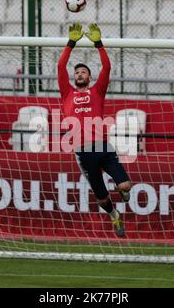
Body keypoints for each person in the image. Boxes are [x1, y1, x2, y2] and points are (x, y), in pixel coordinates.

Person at [57, 23, 132, 237]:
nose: (80, 74)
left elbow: (107, 68)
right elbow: (60, 67)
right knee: (101, 198)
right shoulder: (67, 93)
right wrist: (71, 43)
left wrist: (98, 44)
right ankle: (114, 215)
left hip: (103, 147)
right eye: (77, 72)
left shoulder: (98, 91)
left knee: (126, 185)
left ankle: (123, 191)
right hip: (83, 152)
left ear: (90, 78)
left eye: (84, 72)